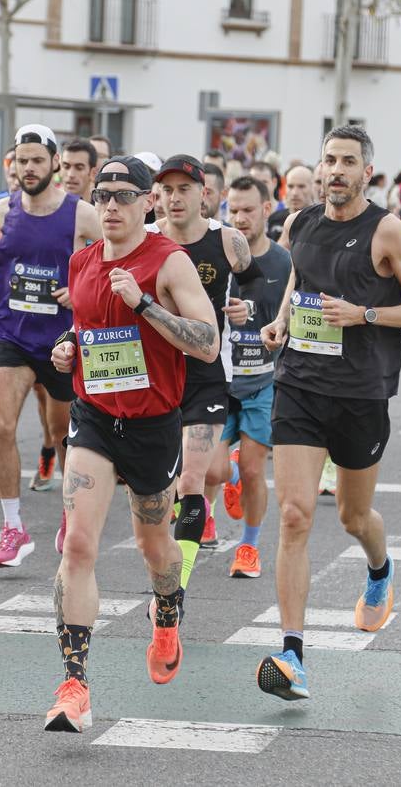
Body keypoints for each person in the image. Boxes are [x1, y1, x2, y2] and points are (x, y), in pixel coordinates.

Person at [255, 125, 401, 700]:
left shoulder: (386, 231)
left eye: (347, 162)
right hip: (301, 385)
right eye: (329, 159)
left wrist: (365, 316)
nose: (336, 170)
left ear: (366, 172)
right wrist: (282, 322)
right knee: (293, 515)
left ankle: (379, 570)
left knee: (354, 519)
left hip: (360, 393)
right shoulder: (301, 222)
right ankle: (292, 654)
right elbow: (297, 284)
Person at [42, 156, 219, 733]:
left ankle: (167, 609)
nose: (111, 206)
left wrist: (145, 303)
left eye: (123, 195)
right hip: (93, 418)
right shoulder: (81, 262)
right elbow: (90, 327)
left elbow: (208, 344)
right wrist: (68, 348)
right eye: (103, 195)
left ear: (148, 202)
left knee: (154, 546)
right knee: (78, 548)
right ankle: (74, 685)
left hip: (152, 425)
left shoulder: (169, 262)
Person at [0, 125, 100, 567]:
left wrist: (80, 290)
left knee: (63, 434)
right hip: (10, 332)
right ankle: (13, 528)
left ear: (53, 163)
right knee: (2, 426)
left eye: (36, 160)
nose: (28, 168)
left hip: (62, 340)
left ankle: (71, 517)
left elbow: (112, 262)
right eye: (21, 161)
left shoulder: (82, 215)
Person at [151, 154, 257, 574]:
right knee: (168, 485)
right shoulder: (145, 238)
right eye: (167, 190)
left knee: (191, 482)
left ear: (205, 195)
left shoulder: (228, 241)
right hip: (156, 373)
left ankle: (177, 587)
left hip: (208, 371)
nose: (174, 199)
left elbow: (256, 282)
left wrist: (245, 307)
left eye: (184, 190)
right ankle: (227, 470)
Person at [220, 176, 290, 578]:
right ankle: (227, 477)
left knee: (252, 468)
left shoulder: (283, 262)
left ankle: (248, 546)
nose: (240, 218)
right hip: (218, 380)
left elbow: (291, 321)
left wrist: (268, 329)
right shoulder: (216, 256)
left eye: (248, 210)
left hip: (262, 381)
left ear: (267, 209)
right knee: (210, 469)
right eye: (234, 210)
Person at [268, 165, 314, 240]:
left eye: (301, 186)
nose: (294, 193)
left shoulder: (320, 221)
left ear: (312, 187)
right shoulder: (275, 219)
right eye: (290, 186)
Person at [60, 138, 98, 203]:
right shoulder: (46, 208)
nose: (71, 174)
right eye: (66, 167)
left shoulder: (102, 210)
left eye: (79, 168)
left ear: (93, 173)